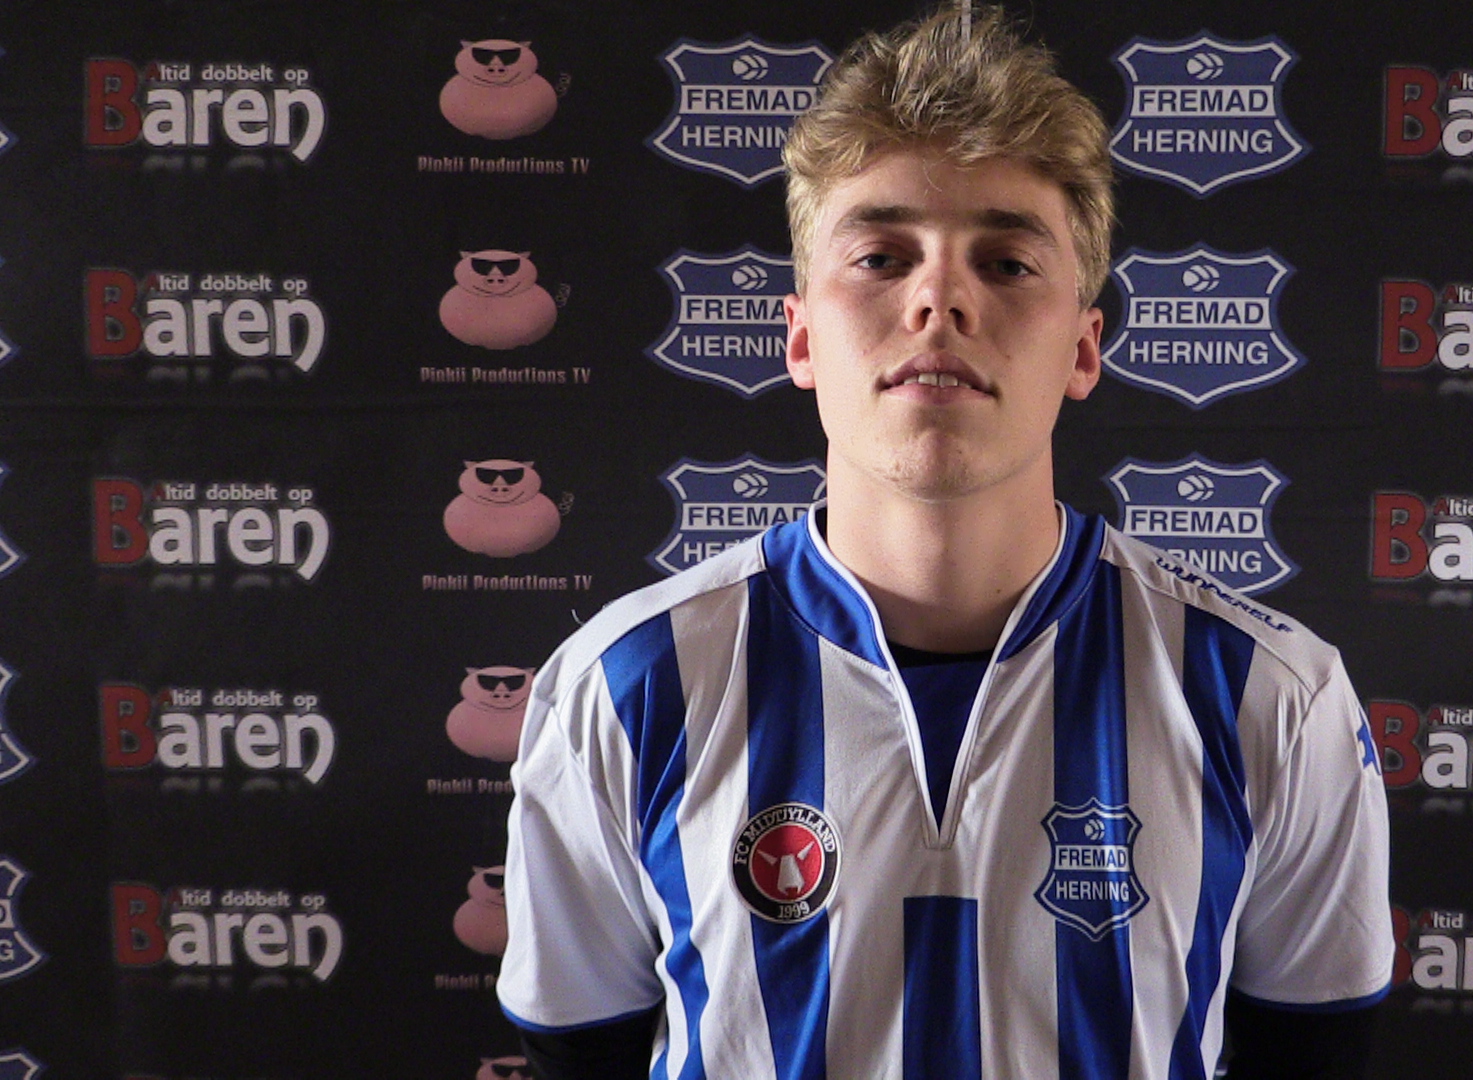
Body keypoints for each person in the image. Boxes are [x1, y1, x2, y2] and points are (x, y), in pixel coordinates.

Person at [498, 5, 1391, 1077]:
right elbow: (578, 1051)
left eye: (1006, 264)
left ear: (1084, 349)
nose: (939, 299)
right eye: (880, 256)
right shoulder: (624, 688)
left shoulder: (1271, 697)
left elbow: (1314, 1053)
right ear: (800, 337)